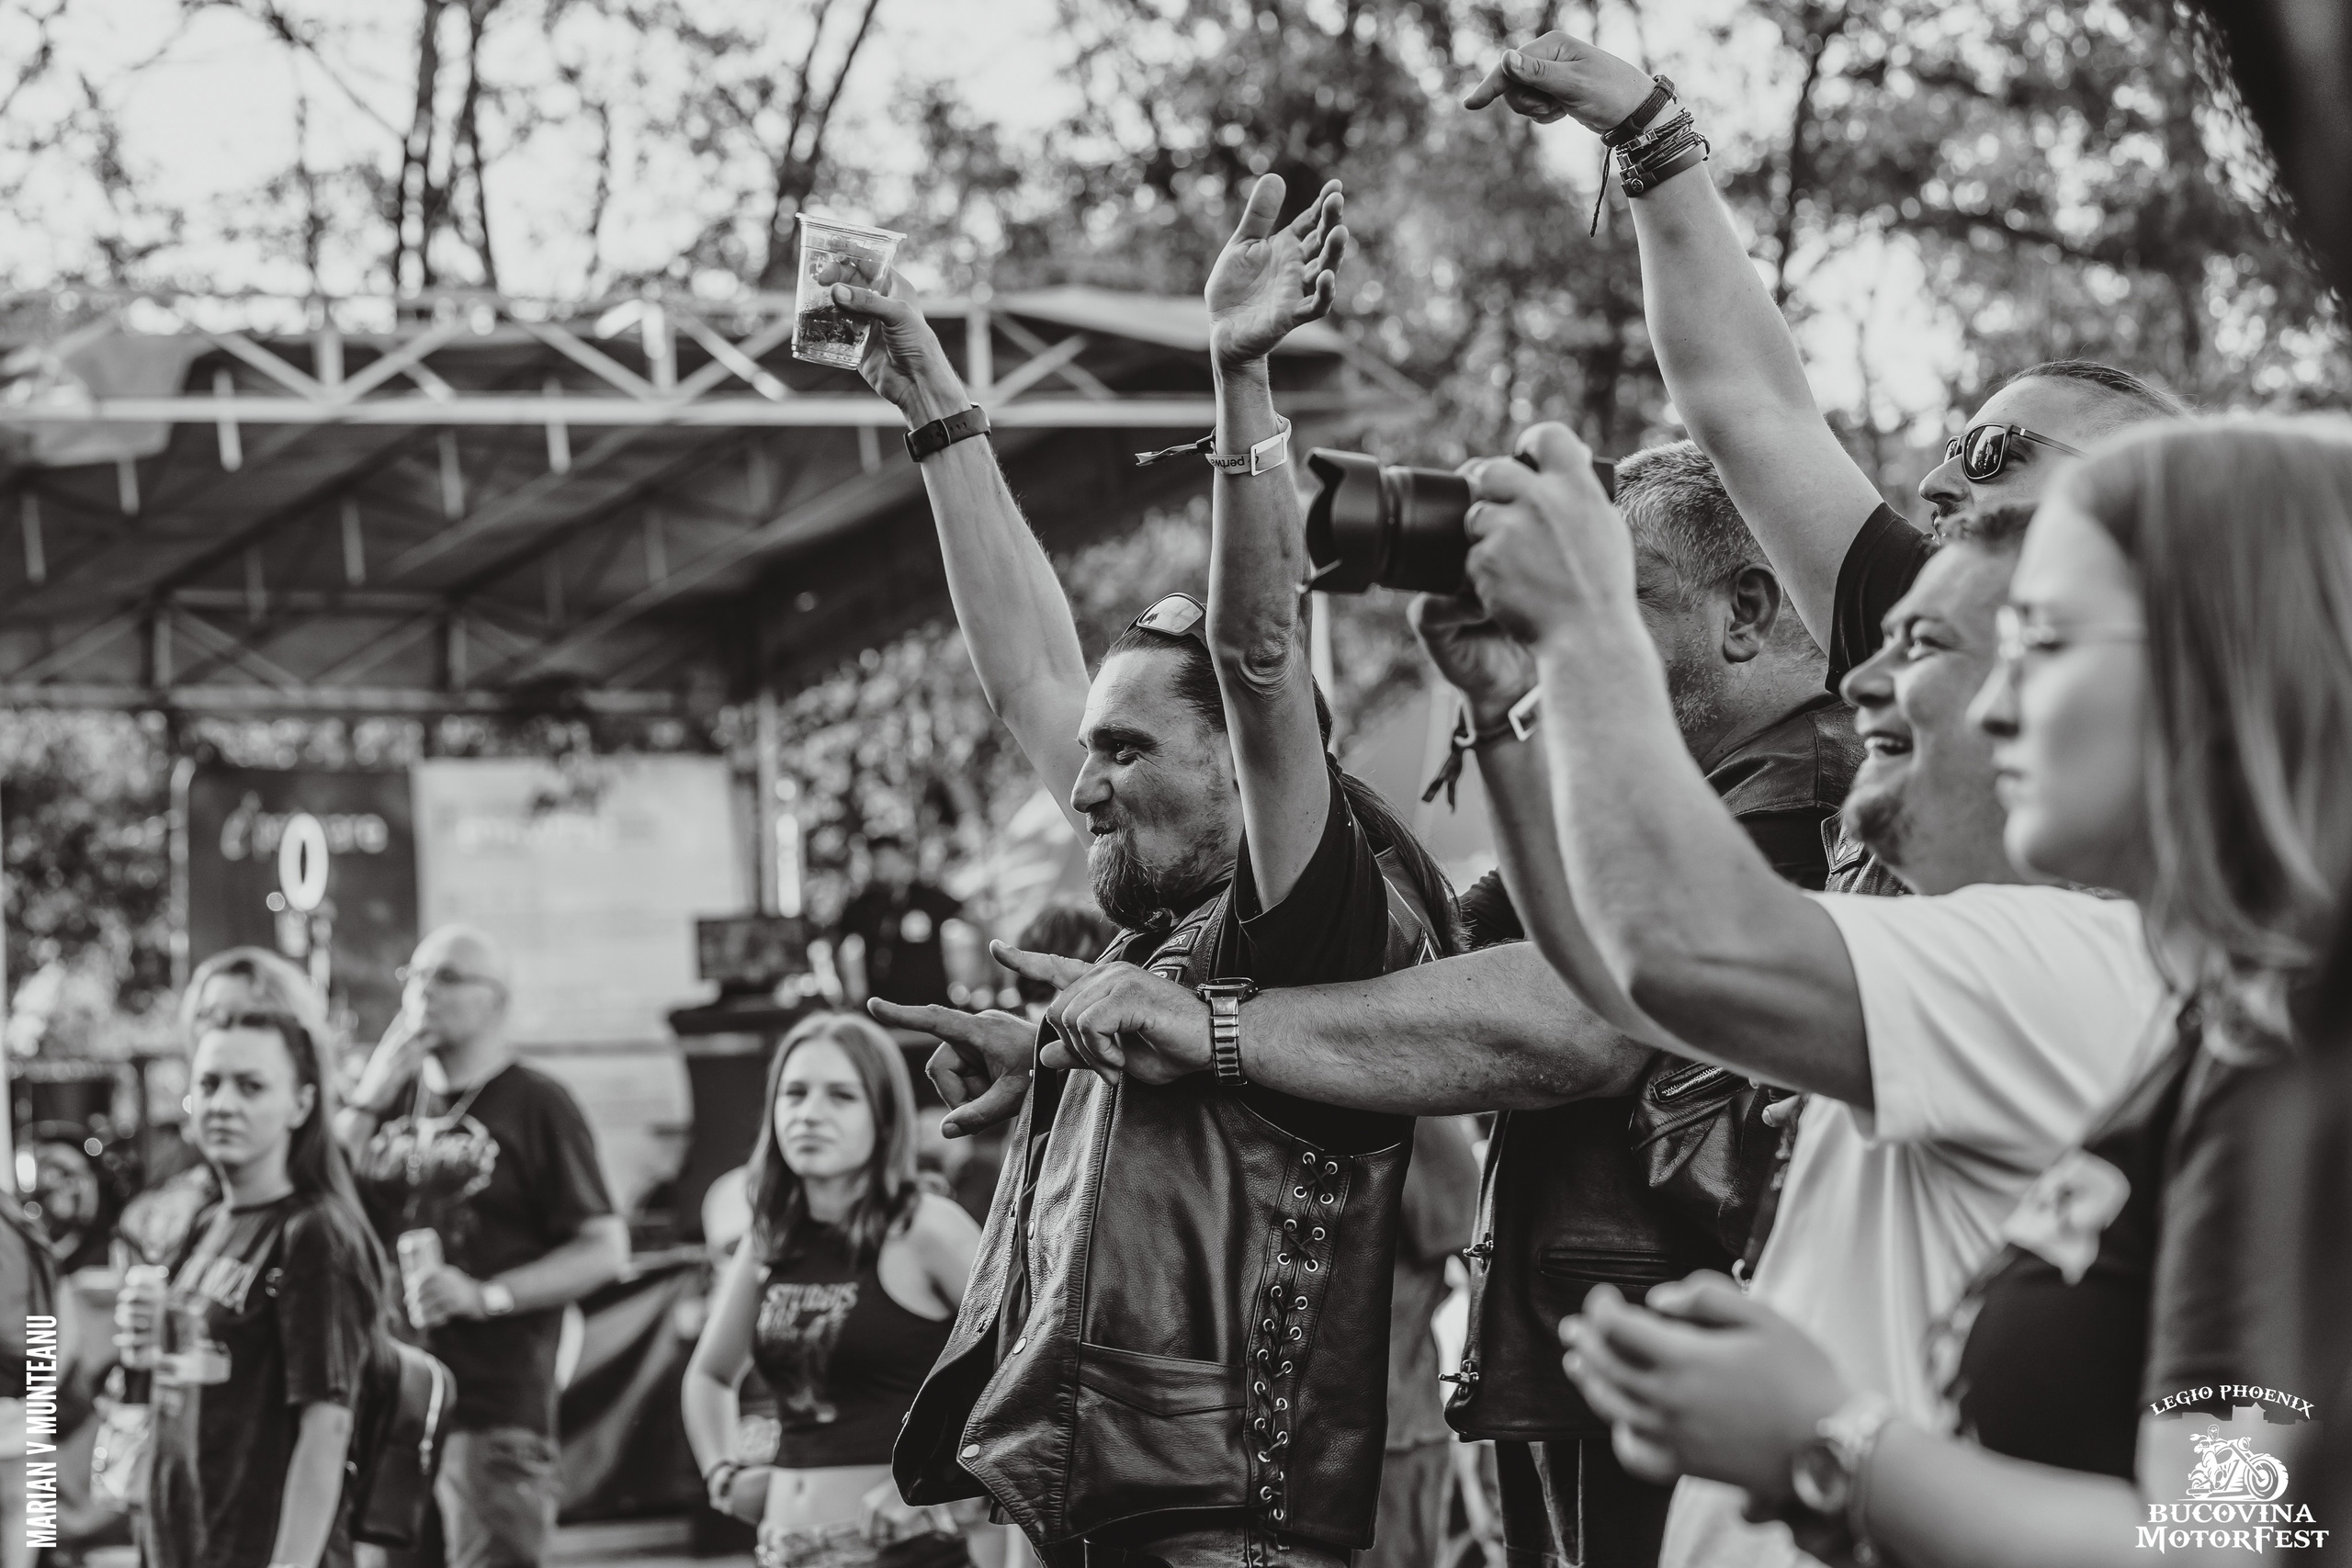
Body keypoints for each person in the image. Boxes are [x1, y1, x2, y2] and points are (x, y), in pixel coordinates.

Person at [980, 441, 1871, 1568]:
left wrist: (1214, 1030)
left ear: (1743, 610)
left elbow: (1583, 1018)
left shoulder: (1815, 788)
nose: (1566, 625)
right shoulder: (1657, 799)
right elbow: (1432, 967)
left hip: (1717, 1392)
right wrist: (1062, 1047)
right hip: (1598, 1375)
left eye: (1605, 592)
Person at [1559, 417, 2352, 1566]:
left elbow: (2233, 1543)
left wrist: (1832, 1445)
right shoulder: (2231, 1040)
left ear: (2227, 666)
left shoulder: (2298, 1071)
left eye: (2047, 641)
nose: (1993, 706)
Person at [830, 171, 1458, 1567]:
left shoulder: (1311, 911)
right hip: (1124, 1518)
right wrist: (936, 405)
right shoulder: (1181, 917)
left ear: (1243, 760)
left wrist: (1240, 379)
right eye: (1090, 754)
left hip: (1233, 1536)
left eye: (1124, 750)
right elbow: (1027, 677)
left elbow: (1259, 656)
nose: (1082, 786)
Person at [338, 924, 630, 1568]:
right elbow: (317, 1197)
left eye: (445, 977)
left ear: (496, 1000)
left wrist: (486, 1295)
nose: (423, 991)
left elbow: (605, 1247)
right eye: (414, 976)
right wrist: (365, 1097)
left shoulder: (537, 1103)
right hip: (390, 1402)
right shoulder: (385, 1101)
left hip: (492, 1409)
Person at [682, 1011, 984, 1568]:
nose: (809, 1114)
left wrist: (937, 1477)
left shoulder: (926, 1229)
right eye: (794, 1094)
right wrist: (722, 1476)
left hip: (902, 1552)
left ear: (883, 1116)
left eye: (841, 1096)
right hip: (783, 1549)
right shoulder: (771, 1239)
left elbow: (1031, 1370)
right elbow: (710, 1376)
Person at [128, 1010, 390, 1568]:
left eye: (251, 1087)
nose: (223, 1104)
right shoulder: (206, 1221)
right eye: (209, 1083)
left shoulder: (314, 1233)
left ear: (301, 1104)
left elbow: (328, 1426)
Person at [1367, 1115, 1481, 1568]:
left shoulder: (1415, 1119)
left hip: (1388, 1442)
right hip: (1252, 1437)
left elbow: (1488, 1269)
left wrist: (1489, 1452)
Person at [839, 837, 967, 1010]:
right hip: (882, 1008)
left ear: (903, 859)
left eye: (886, 857)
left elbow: (968, 923)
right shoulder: (862, 907)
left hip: (932, 1007)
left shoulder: (930, 899)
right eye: (876, 857)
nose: (880, 864)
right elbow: (843, 948)